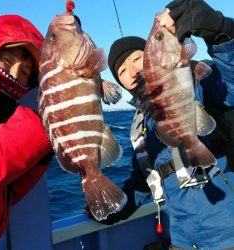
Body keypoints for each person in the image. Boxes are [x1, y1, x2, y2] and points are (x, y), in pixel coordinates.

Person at [94, 0, 234, 249]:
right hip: (183, 240)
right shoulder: (139, 126)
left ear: (152, 56)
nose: (132, 71)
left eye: (137, 58)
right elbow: (143, 181)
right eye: (122, 71)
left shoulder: (199, 81)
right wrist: (117, 207)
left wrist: (220, 31)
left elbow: (231, 82)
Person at [0, 14, 53, 248]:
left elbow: (4, 193)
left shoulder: (0, 116)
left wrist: (40, 159)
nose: (13, 75)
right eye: (5, 61)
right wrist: (36, 130)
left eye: (24, 72)